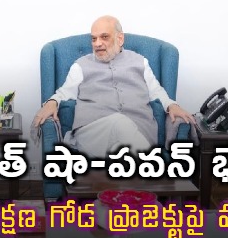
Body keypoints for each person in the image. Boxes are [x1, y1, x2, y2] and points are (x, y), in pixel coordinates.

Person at [32, 15, 196, 158]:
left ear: (120, 38)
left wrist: (172, 105)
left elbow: (156, 91)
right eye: (94, 39)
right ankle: (151, 170)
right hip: (93, 133)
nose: (97, 43)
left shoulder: (140, 62)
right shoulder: (80, 65)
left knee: (123, 141)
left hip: (140, 130)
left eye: (104, 37)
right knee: (120, 123)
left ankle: (130, 178)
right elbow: (64, 92)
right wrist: (52, 102)